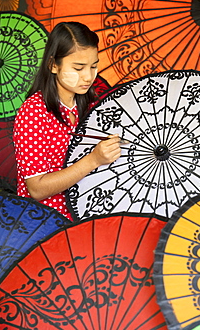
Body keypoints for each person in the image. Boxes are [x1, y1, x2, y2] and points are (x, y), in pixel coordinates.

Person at [13, 21, 121, 220]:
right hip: (47, 221)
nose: (88, 77)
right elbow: (36, 189)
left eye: (94, 66)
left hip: (88, 213)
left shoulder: (91, 105)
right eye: (78, 68)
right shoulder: (34, 112)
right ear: (54, 65)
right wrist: (94, 159)